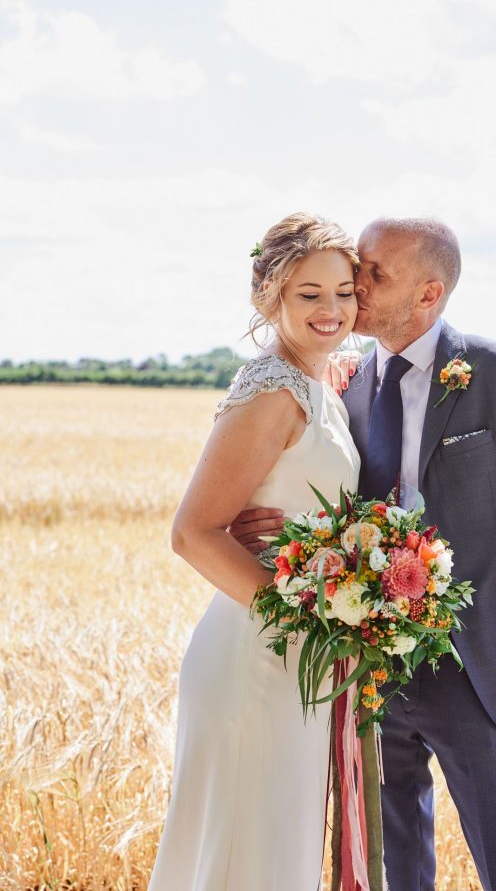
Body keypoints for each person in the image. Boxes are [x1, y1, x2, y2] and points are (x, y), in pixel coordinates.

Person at [232, 217, 496, 891]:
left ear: (428, 292)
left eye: (375, 274)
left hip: (481, 676)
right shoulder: (344, 382)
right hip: (368, 668)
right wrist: (262, 526)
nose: (354, 285)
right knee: (392, 870)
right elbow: (318, 494)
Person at [147, 213, 361, 891]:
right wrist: (304, 620)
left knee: (275, 850)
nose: (332, 309)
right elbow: (192, 532)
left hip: (299, 660)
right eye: (309, 294)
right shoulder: (273, 390)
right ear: (267, 295)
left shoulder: (322, 385)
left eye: (345, 291)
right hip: (256, 655)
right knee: (246, 849)